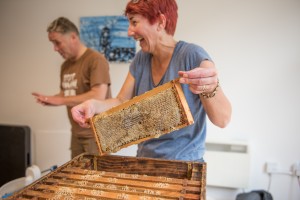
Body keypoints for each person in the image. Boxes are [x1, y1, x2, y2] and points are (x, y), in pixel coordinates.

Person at [71, 0, 232, 162]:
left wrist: (211, 87)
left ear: (160, 22)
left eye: (134, 22)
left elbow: (222, 119)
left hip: (185, 167)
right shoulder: (141, 59)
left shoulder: (192, 55)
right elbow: (121, 101)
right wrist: (92, 104)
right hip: (145, 163)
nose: (129, 32)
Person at [32, 17, 112, 158]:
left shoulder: (95, 60)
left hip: (97, 136)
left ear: (73, 37)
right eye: (53, 43)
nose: (55, 48)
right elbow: (66, 94)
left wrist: (61, 100)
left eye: (57, 43)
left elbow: (98, 96)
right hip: (76, 135)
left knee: (97, 179)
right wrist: (50, 99)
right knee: (76, 178)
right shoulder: (65, 66)